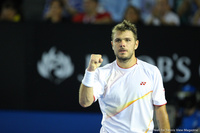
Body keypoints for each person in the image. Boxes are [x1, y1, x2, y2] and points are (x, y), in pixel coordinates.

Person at [79, 20, 170, 132]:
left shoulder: (152, 72)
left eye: (127, 40)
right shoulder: (101, 73)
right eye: (118, 40)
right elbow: (85, 102)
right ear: (112, 45)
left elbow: (160, 110)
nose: (122, 44)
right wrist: (90, 71)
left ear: (136, 44)